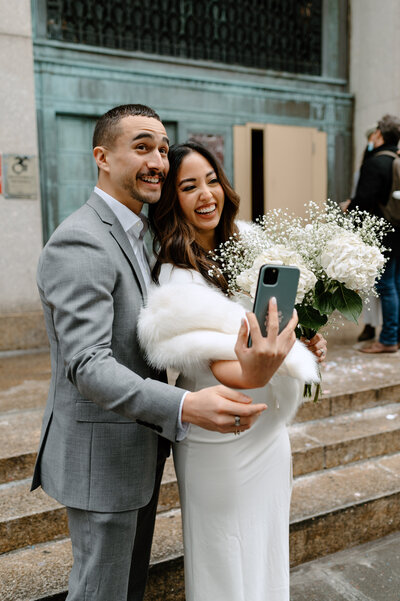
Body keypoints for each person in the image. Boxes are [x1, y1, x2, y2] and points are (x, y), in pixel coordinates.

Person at [31, 105, 276, 601]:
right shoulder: (80, 240)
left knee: (128, 589)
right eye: (142, 146)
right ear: (102, 156)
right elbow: (87, 365)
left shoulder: (146, 234)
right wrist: (184, 405)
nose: (159, 161)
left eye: (163, 149)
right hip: (102, 458)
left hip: (142, 448)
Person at [139, 141, 326, 601]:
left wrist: (304, 342)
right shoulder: (175, 276)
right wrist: (272, 360)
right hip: (219, 439)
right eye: (188, 186)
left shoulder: (249, 249)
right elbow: (235, 371)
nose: (206, 195)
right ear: (171, 200)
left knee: (266, 553)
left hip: (268, 438)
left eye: (211, 180)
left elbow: (270, 335)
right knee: (224, 561)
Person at [343, 114, 400, 353]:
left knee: (386, 285)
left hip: (382, 233)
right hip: (398, 229)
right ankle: (394, 335)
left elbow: (363, 202)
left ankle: (388, 339)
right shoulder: (396, 160)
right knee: (396, 282)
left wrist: (348, 207)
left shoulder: (376, 163)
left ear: (379, 134)